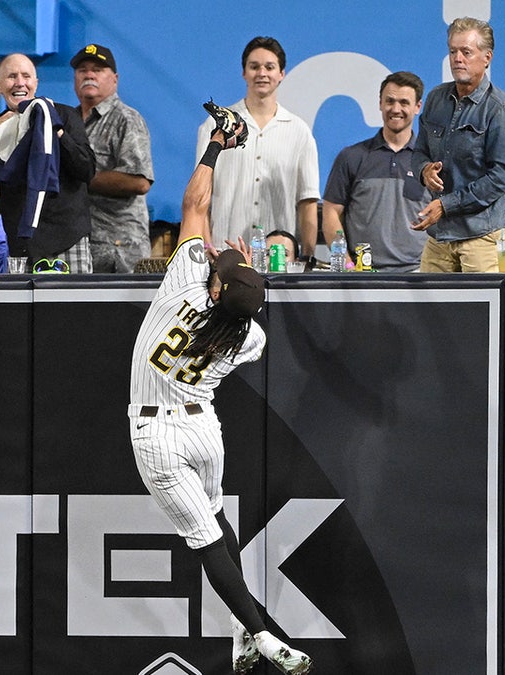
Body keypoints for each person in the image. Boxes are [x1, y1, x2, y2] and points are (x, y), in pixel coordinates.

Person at [129, 103, 312, 675]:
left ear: (211, 288)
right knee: (213, 517)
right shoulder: (247, 336)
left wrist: (214, 148)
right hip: (203, 426)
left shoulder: (182, 290)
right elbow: (238, 298)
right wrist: (241, 273)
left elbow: (194, 207)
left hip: (158, 432)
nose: (214, 256)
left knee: (206, 539)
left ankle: (262, 634)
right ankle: (244, 629)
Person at [411, 17, 505, 272]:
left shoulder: (501, 109)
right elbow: (419, 152)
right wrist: (423, 171)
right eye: (453, 51)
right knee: (428, 310)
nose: (457, 58)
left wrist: (445, 205)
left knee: (484, 311)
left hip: (485, 234)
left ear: (487, 57)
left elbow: (502, 177)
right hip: (440, 235)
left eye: (466, 52)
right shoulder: (435, 99)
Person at [195, 36, 319, 254]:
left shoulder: (299, 131)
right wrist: (207, 247)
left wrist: (307, 258)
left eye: (269, 67)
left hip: (279, 259)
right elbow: (200, 194)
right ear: (244, 73)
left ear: (282, 74)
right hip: (225, 254)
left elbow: (307, 202)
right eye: (254, 67)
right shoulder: (215, 126)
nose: (262, 73)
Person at [0, 53, 95, 272]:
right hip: (20, 242)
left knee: (73, 307)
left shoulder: (64, 116)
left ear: (36, 83)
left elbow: (86, 170)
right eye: (11, 76)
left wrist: (56, 131)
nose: (20, 82)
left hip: (66, 238)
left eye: (26, 76)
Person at [322, 71, 430, 273]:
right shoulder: (351, 157)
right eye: (389, 101)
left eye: (404, 102)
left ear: (418, 107)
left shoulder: (431, 162)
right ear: (380, 103)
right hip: (363, 275)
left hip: (418, 275)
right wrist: (347, 265)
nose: (396, 109)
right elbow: (331, 213)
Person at [71, 43, 155, 273]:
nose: (89, 74)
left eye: (97, 70)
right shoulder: (69, 121)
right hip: (82, 246)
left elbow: (140, 182)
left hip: (120, 250)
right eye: (82, 70)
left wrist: (79, 177)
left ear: (114, 79)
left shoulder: (126, 119)